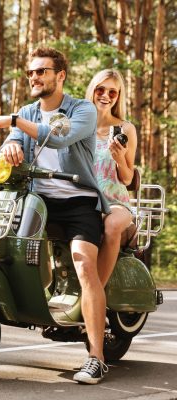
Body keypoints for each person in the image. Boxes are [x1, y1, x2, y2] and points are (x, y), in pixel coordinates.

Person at [0, 47, 110, 384]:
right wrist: (8, 146)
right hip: (36, 201)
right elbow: (12, 141)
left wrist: (13, 121)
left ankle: (96, 357)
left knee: (84, 263)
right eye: (31, 73)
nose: (35, 77)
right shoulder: (26, 110)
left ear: (60, 75)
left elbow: (59, 136)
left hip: (78, 201)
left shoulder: (82, 109)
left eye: (42, 71)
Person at [86, 70, 137, 286]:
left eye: (112, 92)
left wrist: (119, 158)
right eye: (100, 89)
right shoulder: (80, 126)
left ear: (118, 97)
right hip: (85, 200)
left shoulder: (124, 129)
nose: (105, 95)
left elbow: (126, 179)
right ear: (92, 91)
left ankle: (95, 294)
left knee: (113, 226)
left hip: (115, 202)